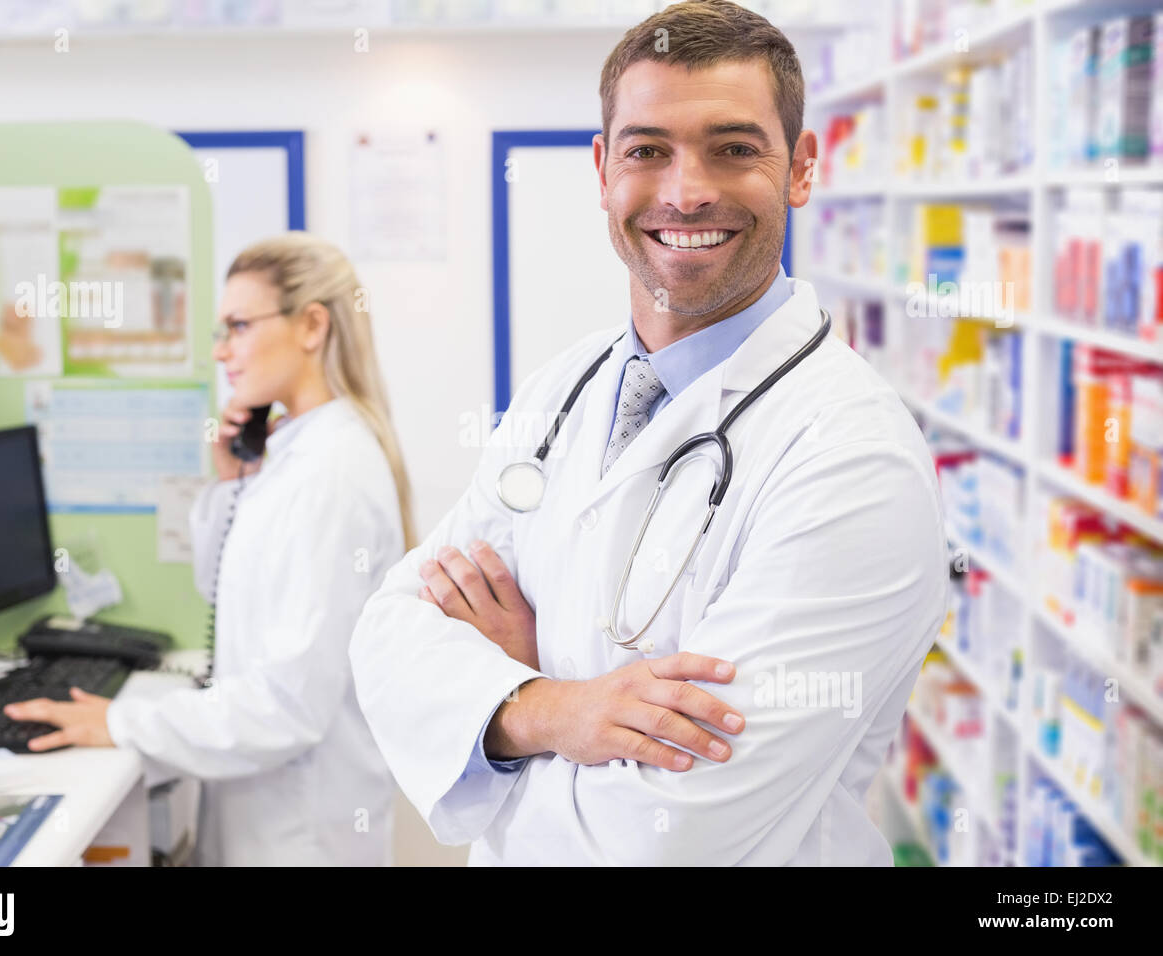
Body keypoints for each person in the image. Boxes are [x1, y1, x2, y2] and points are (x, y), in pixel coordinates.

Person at [349, 0, 947, 865]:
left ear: (801, 168)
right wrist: (553, 709)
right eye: (647, 150)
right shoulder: (564, 389)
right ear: (602, 169)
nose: (685, 190)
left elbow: (668, 835)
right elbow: (389, 635)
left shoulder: (853, 462)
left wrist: (492, 714)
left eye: (734, 148)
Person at [6, 233, 411, 866]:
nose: (221, 351)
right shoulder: (292, 455)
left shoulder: (331, 475)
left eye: (238, 327)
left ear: (311, 326)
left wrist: (121, 723)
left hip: (301, 832)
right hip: (265, 808)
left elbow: (288, 706)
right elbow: (224, 588)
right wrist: (233, 481)